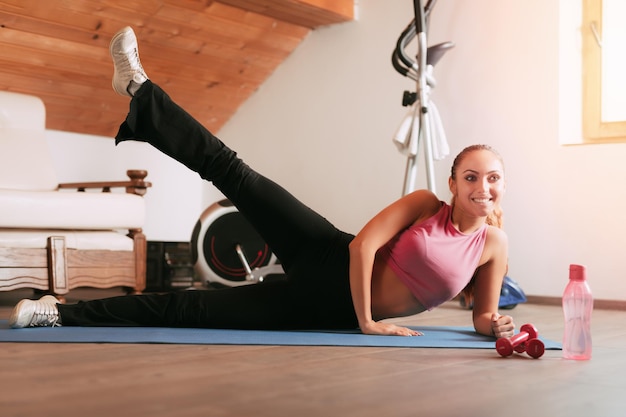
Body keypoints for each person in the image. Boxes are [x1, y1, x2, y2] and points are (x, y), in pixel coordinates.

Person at [8, 27, 515, 338]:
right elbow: (363, 248)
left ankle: (54, 315)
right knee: (234, 172)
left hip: (322, 309)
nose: (482, 188)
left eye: (492, 179)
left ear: (501, 186)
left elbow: (482, 317)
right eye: (471, 176)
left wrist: (496, 325)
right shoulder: (426, 203)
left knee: (188, 308)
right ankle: (139, 89)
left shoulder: (493, 245)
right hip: (329, 254)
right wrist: (368, 323)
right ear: (452, 182)